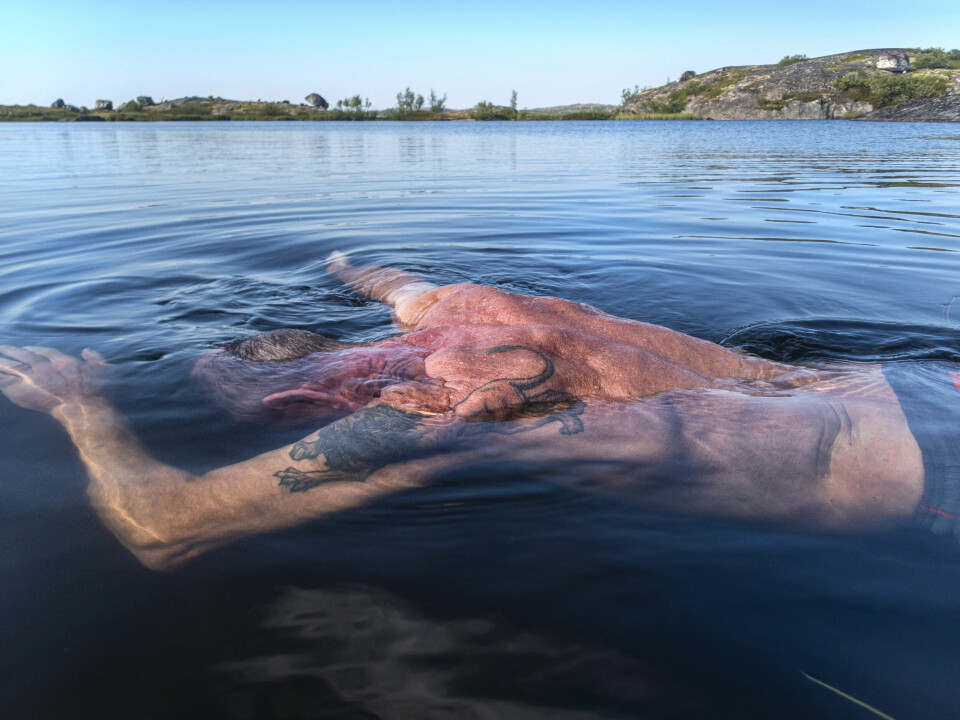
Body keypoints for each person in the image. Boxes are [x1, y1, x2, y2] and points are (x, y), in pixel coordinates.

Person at [0, 253, 952, 571]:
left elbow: (162, 529)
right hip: (912, 386)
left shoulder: (439, 410)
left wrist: (78, 408)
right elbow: (379, 273)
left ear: (303, 398)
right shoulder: (460, 305)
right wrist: (335, 265)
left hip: (921, 485)